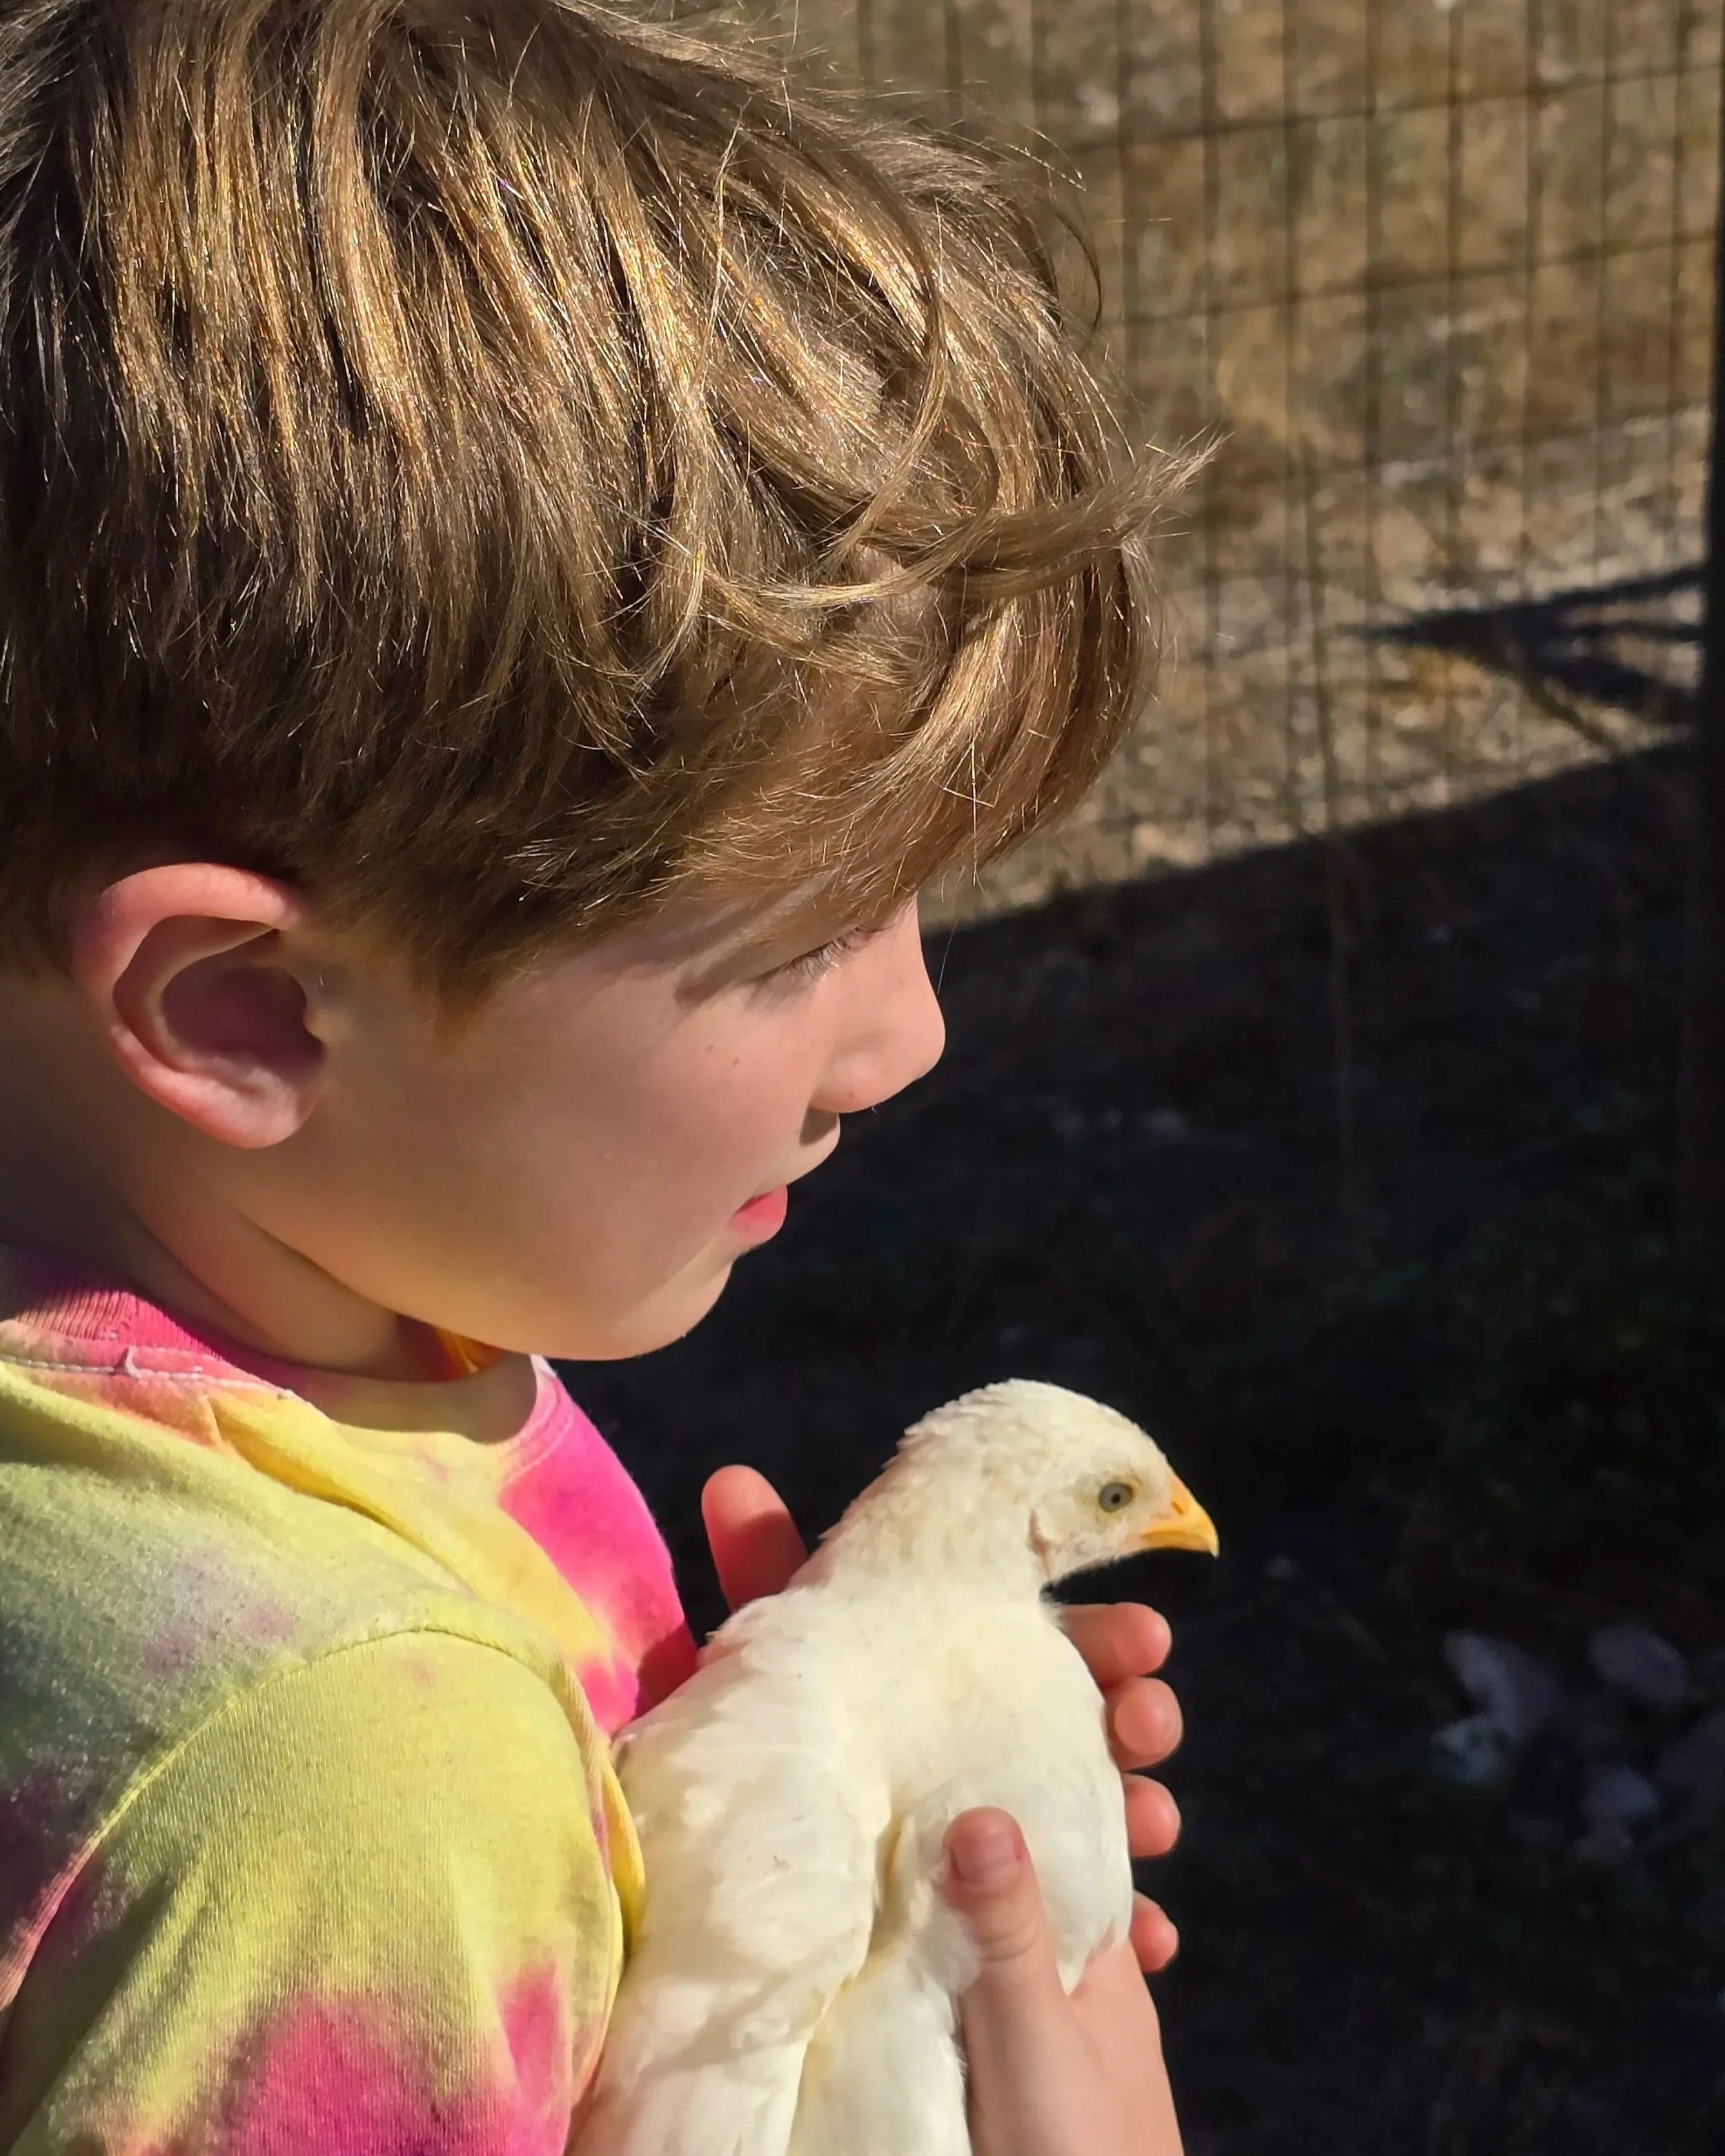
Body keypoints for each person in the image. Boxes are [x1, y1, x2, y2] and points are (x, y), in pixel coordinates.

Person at [0, 3, 1193, 2149]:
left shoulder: (315, 1294)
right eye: (817, 920)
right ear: (249, 1016)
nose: (910, 1035)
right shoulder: (344, 1775)